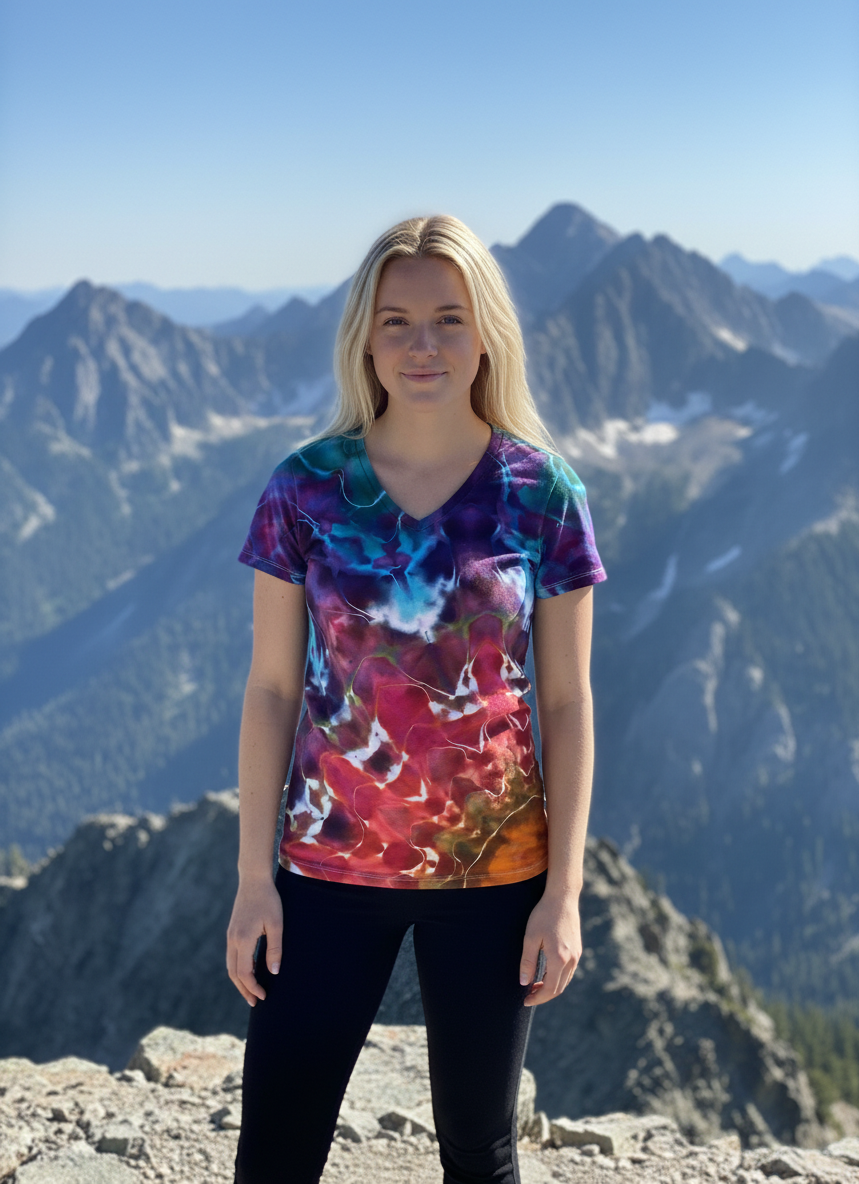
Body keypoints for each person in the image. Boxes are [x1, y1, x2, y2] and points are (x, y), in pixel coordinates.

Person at [226, 214, 606, 1184]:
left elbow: (567, 703)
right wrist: (253, 879)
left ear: (486, 334)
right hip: (325, 868)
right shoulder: (305, 489)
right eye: (396, 320)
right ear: (365, 336)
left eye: (448, 317)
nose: (422, 344)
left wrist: (562, 895)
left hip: (496, 875)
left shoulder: (543, 493)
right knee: (274, 1153)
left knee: (479, 1149)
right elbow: (271, 688)